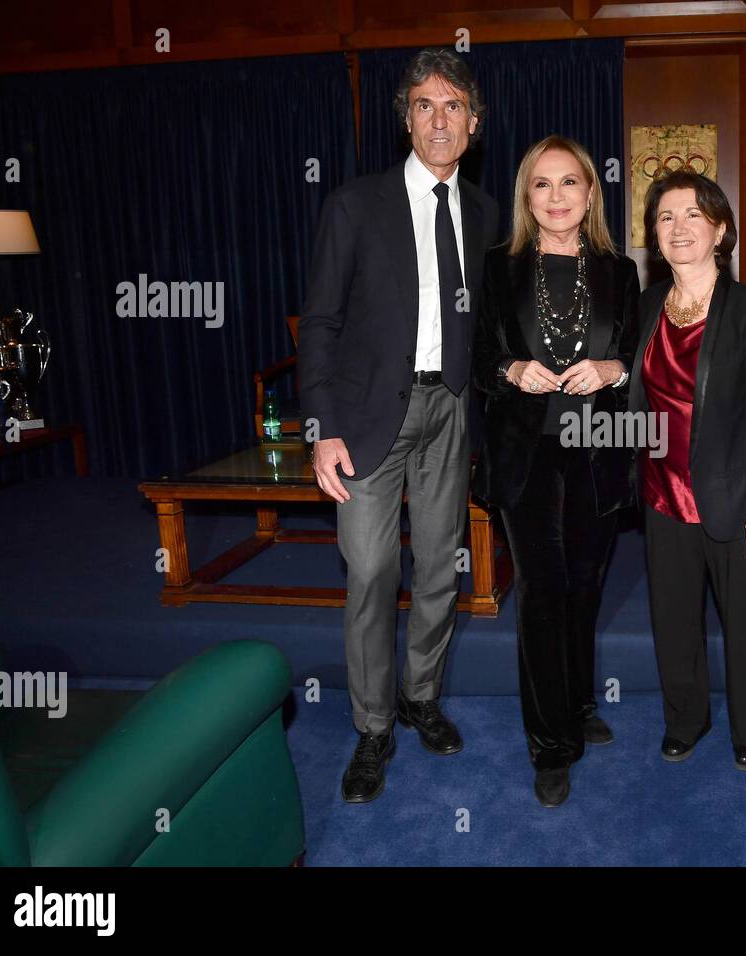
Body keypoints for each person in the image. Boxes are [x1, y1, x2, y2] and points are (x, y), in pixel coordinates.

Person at [299, 48, 499, 804]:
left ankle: (420, 697)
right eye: (424, 105)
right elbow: (318, 322)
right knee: (373, 574)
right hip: (366, 418)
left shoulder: (485, 214)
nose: (439, 119)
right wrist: (322, 426)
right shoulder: (355, 205)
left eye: (453, 107)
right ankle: (373, 725)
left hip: (451, 411)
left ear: (473, 125)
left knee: (441, 573)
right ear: (405, 119)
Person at [472, 135, 640, 807]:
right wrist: (511, 368)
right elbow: (479, 357)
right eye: (541, 185)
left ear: (590, 193)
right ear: (526, 197)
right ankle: (550, 743)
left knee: (586, 588)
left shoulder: (619, 271)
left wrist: (614, 367)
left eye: (569, 182)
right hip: (527, 453)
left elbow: (633, 353)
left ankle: (575, 703)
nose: (556, 196)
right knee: (543, 591)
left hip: (599, 446)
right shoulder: (497, 270)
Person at [627, 170, 746, 770]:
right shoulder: (645, 307)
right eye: (666, 218)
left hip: (736, 494)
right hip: (662, 494)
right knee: (672, 619)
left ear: (720, 229)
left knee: (744, 623)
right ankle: (685, 719)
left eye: (693, 215)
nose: (679, 228)